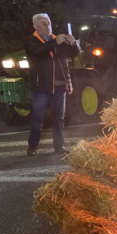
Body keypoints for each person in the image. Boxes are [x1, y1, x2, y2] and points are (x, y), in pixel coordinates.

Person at [24, 13, 80, 156]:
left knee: (59, 118)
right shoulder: (31, 40)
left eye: (48, 23)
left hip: (60, 86)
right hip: (41, 86)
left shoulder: (58, 40)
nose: (48, 26)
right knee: (38, 116)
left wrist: (74, 44)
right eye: (43, 23)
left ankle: (59, 146)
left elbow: (74, 54)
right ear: (35, 26)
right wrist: (55, 43)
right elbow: (36, 51)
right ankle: (33, 146)